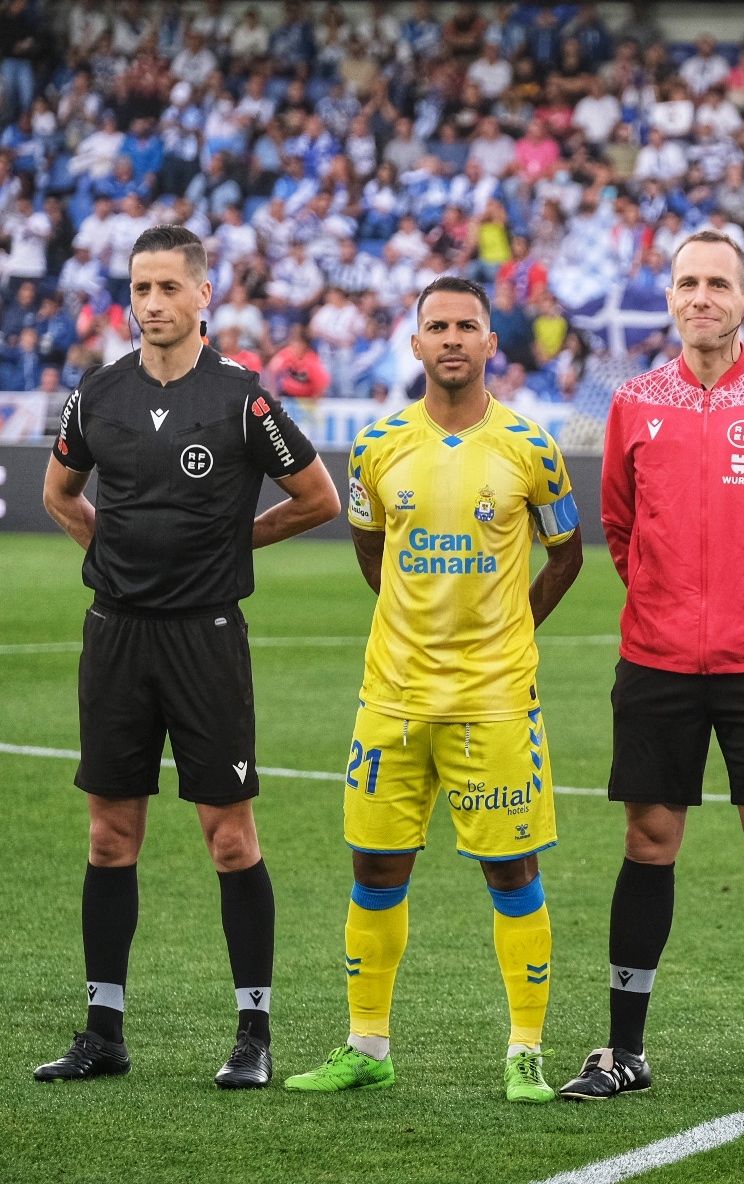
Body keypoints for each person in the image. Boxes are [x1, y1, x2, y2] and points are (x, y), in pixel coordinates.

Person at [36, 225, 340, 1087]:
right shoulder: (97, 395)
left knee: (230, 837)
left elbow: (316, 496)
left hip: (206, 638)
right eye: (141, 289)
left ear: (205, 295)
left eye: (170, 288)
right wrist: (109, 551)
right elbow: (59, 491)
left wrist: (233, 546)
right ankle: (103, 1031)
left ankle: (253, 1034)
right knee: (108, 836)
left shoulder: (242, 399)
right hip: (116, 636)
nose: (154, 305)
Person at [560, 229, 744, 1109]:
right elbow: (618, 520)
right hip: (655, 661)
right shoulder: (634, 404)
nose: (701, 298)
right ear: (671, 298)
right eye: (686, 283)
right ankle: (623, 1048)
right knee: (647, 841)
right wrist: (657, 597)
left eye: (717, 284)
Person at [284, 277, 583, 1101]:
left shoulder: (530, 445)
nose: (452, 338)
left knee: (510, 869)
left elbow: (567, 553)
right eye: (436, 326)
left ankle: (525, 1051)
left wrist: (510, 629)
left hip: (493, 699)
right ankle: (366, 1046)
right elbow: (369, 545)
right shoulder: (378, 444)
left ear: (492, 343)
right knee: (376, 866)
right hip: (393, 696)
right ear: (414, 344)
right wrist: (410, 624)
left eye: (467, 326)